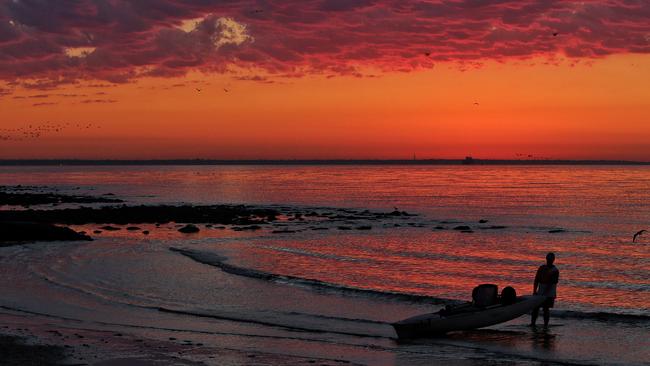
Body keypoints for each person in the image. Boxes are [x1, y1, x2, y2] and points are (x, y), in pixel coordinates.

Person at [531, 252, 559, 327]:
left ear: (553, 260)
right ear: (546, 259)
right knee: (535, 308)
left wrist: (544, 294)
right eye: (548, 259)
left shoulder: (555, 270)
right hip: (540, 292)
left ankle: (545, 325)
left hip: (549, 294)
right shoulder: (541, 268)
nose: (549, 260)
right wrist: (534, 291)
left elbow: (551, 283)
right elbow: (536, 280)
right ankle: (533, 323)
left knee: (546, 309)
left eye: (550, 259)